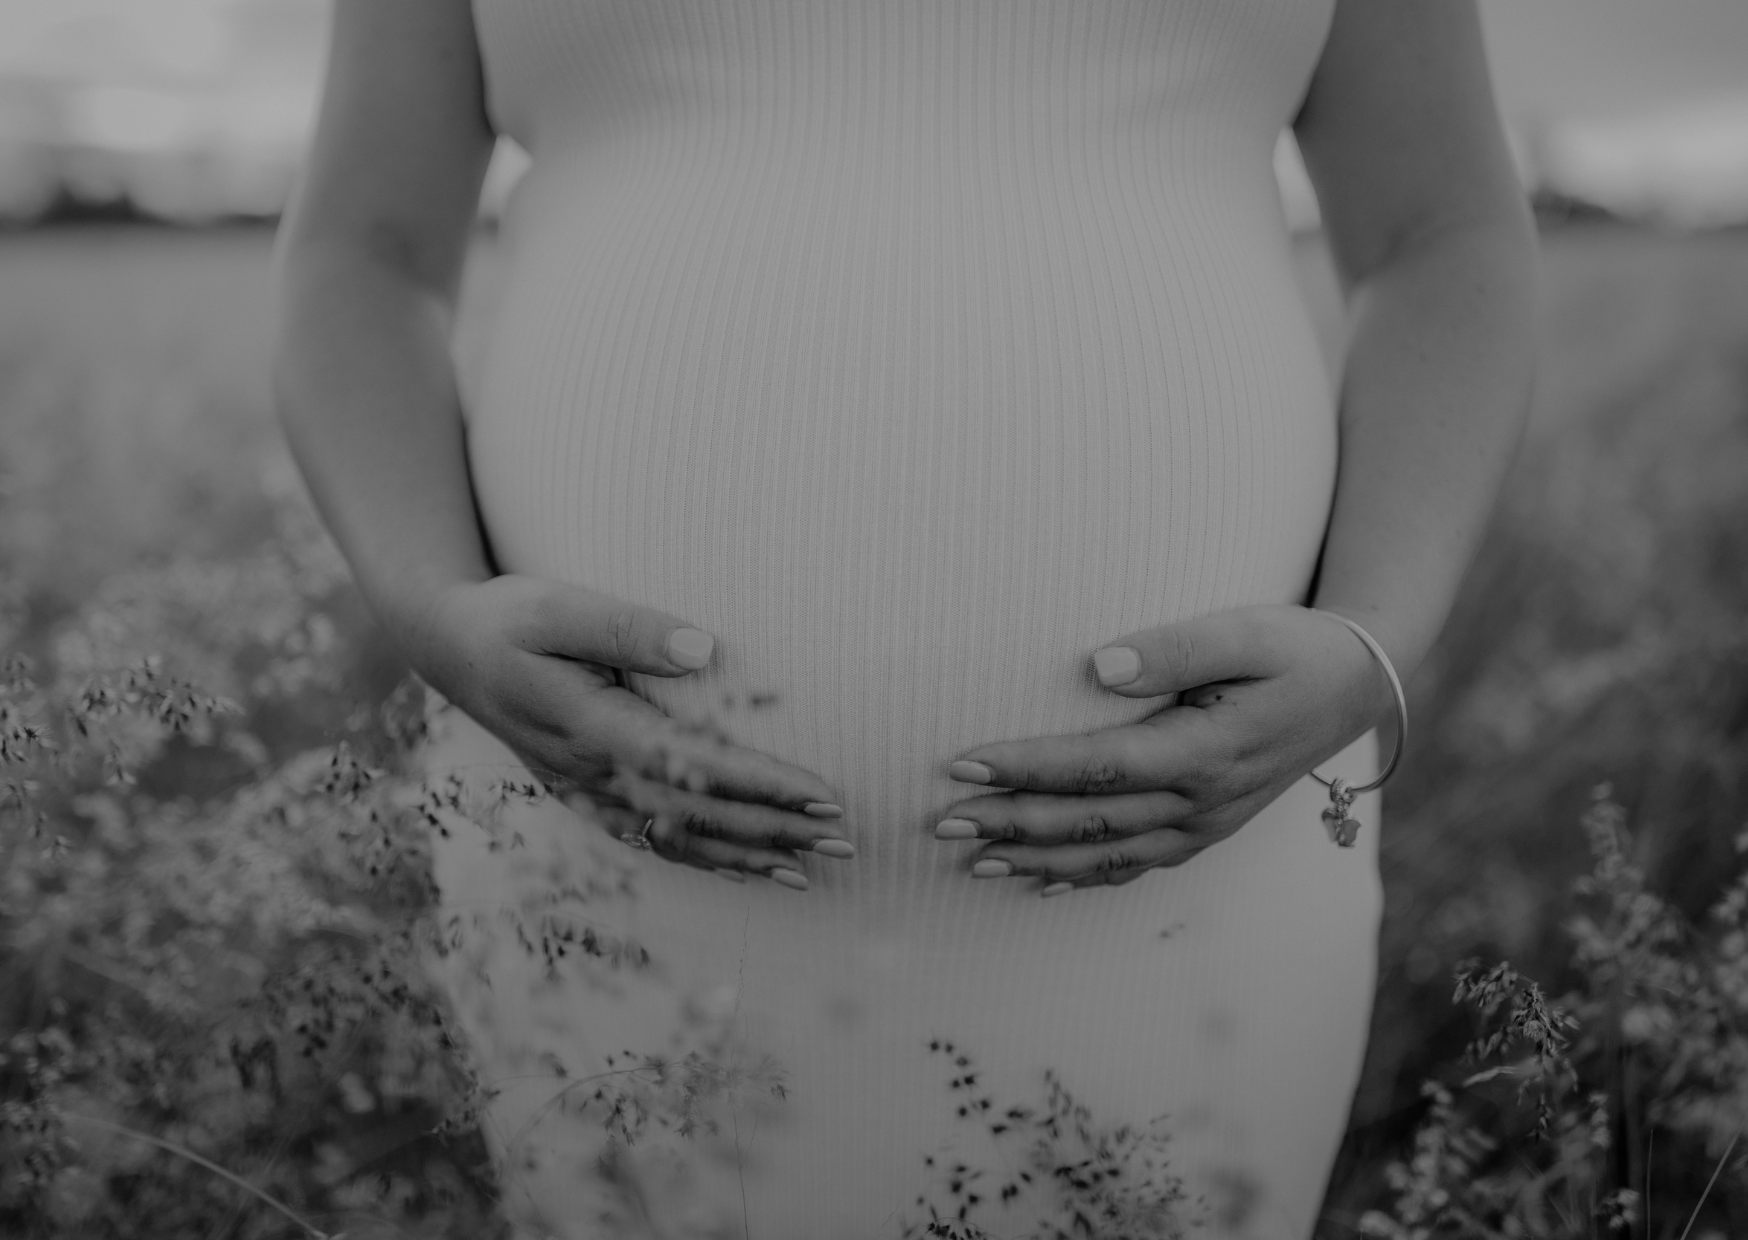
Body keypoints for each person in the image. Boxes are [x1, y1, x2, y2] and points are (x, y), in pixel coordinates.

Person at [271, 1, 1537, 1236]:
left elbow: (1441, 229)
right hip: (594, 844)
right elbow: (361, 252)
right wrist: (434, 610)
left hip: (1207, 862)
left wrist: (1369, 640)